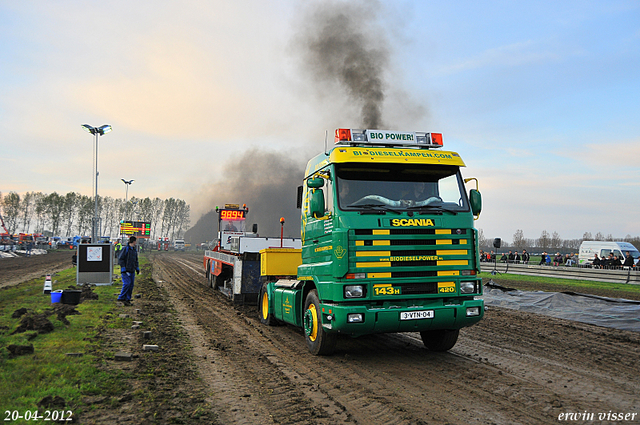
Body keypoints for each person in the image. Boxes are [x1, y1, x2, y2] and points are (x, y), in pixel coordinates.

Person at [117, 236, 140, 306]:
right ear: (133, 242)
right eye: (136, 241)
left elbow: (135, 260)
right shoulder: (125, 249)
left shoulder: (134, 250)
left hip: (132, 270)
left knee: (131, 285)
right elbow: (120, 259)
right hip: (126, 271)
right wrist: (123, 268)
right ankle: (121, 297)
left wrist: (137, 268)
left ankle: (127, 299)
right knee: (127, 283)